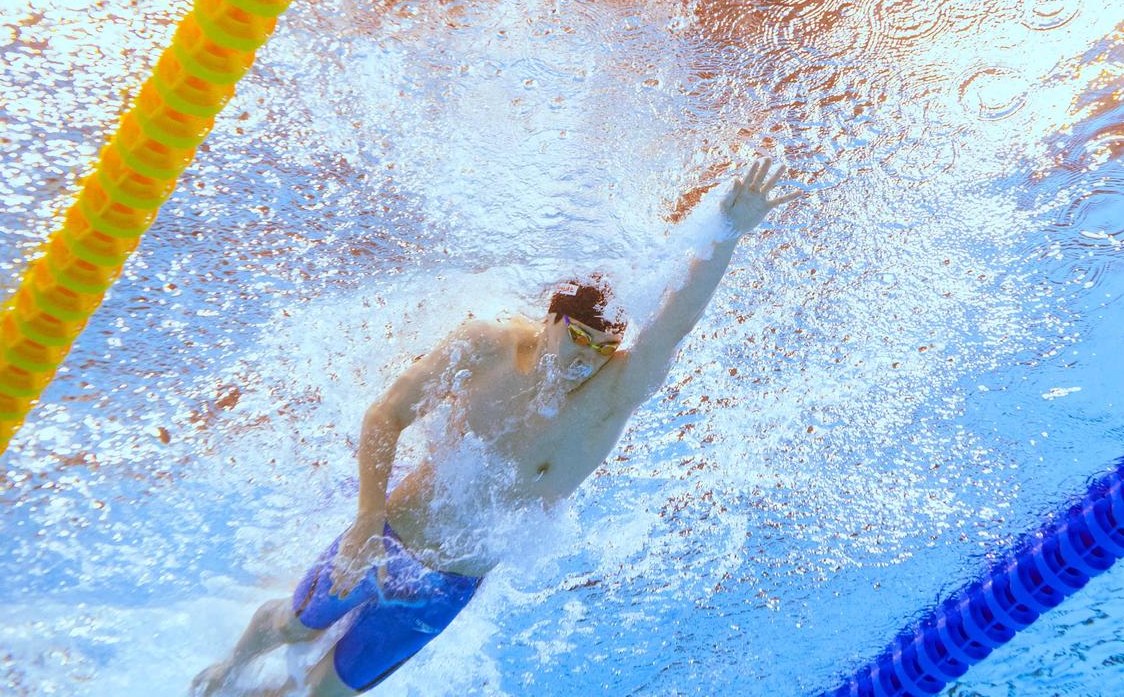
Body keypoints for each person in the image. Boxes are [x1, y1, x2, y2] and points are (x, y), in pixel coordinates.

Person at [191, 157, 801, 696]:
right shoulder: (486, 347)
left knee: (328, 695)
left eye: (604, 347)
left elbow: (674, 326)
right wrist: (364, 524)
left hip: (446, 588)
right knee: (292, 626)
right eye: (580, 339)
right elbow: (387, 415)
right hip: (387, 539)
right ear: (551, 321)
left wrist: (724, 236)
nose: (588, 358)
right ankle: (229, 669)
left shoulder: (611, 397)